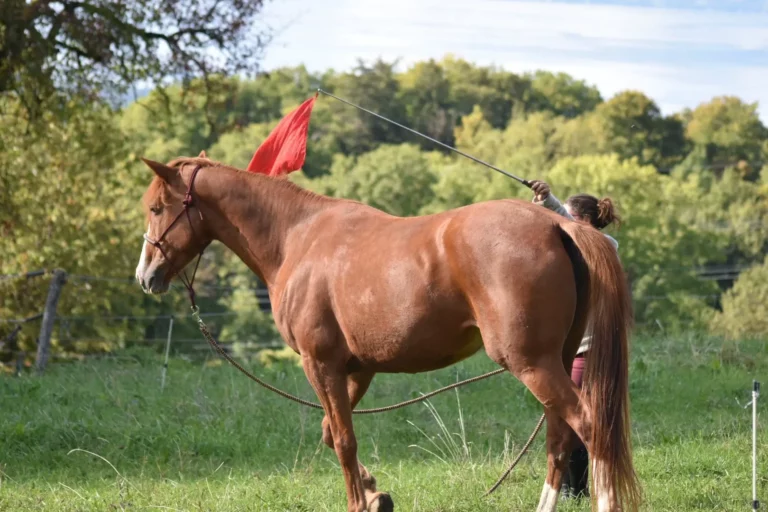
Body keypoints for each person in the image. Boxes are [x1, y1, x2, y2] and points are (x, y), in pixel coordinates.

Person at [529, 179, 622, 500]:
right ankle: (573, 487)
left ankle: (576, 489)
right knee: (571, 414)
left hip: (589, 347)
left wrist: (550, 201)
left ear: (583, 221)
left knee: (576, 416)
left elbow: (566, 224)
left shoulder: (604, 245)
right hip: (578, 346)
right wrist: (547, 201)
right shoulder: (585, 246)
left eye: (569, 216)